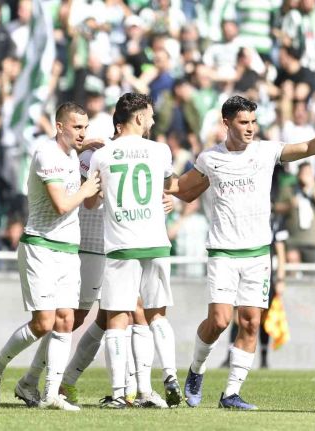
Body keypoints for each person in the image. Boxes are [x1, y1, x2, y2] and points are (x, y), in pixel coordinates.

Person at [171, 95, 315, 410]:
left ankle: (231, 393)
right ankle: (197, 369)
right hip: (223, 252)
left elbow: (305, 148)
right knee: (219, 320)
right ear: (226, 123)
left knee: (251, 322)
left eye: (253, 122)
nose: (250, 128)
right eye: (243, 122)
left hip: (257, 253)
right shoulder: (210, 158)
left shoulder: (266, 151)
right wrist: (161, 190)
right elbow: (184, 188)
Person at [0, 102, 101, 411]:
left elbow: (77, 149)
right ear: (59, 127)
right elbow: (61, 205)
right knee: (43, 323)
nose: (82, 133)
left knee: (65, 320)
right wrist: (87, 188)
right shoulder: (46, 154)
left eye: (85, 127)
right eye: (77, 127)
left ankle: (50, 394)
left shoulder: (70, 153)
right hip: (40, 246)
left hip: (68, 250)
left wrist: (89, 144)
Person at [87, 93, 181, 409]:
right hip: (156, 242)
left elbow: (91, 202)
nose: (152, 121)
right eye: (150, 116)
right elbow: (168, 187)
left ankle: (119, 394)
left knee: (117, 317)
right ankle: (168, 377)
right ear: (139, 117)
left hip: (121, 245)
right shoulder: (161, 150)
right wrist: (168, 200)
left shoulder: (102, 155)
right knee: (156, 314)